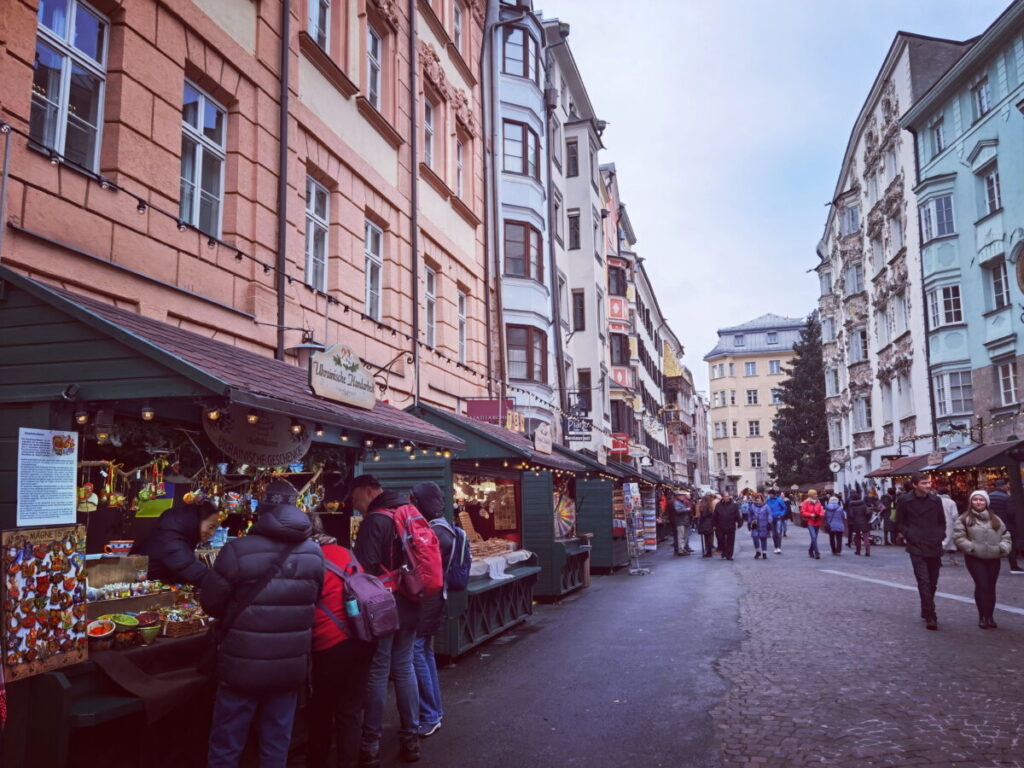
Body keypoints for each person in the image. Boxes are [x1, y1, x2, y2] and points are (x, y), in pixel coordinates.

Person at [200, 481, 324, 768]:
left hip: (241, 665)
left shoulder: (238, 550)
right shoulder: (314, 553)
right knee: (276, 742)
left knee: (227, 742)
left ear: (262, 510)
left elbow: (211, 604)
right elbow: (313, 601)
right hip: (289, 665)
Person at [350, 474, 422, 766]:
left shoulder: (374, 521)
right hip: (412, 601)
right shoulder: (409, 512)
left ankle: (370, 744)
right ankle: (411, 738)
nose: (354, 505)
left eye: (355, 498)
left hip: (383, 607)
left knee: (378, 670)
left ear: (368, 491)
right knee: (404, 667)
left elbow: (362, 571)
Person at [307, 514, 376, 768]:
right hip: (360, 638)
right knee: (350, 711)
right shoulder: (346, 552)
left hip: (327, 643)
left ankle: (317, 761)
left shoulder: (307, 559)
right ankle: (349, 761)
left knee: (321, 711)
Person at [408, 482, 451, 738]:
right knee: (424, 653)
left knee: (417, 654)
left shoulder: (432, 533)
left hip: (426, 601)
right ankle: (434, 710)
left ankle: (430, 713)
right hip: (436, 599)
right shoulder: (445, 528)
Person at [953, 490, 1012, 629]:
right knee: (982, 585)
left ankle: (990, 617)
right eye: (975, 499)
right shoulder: (964, 518)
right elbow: (959, 537)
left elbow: (1006, 535)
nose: (978, 502)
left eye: (981, 500)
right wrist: (971, 548)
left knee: (991, 587)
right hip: (975, 558)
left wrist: (1003, 547)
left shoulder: (996, 519)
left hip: (993, 557)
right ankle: (983, 617)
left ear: (986, 502)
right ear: (971, 502)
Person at [895, 472, 946, 630]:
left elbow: (941, 522)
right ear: (915, 485)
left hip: (934, 544)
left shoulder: (936, 500)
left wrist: (939, 536)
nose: (928, 485)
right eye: (924, 483)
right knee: (923, 580)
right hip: (916, 545)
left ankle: (926, 608)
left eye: (928, 482)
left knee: (932, 581)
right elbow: (900, 522)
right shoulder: (904, 500)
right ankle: (931, 615)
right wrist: (910, 535)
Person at [132, 500, 219, 586]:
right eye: (210, 527)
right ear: (197, 521)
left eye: (216, 529)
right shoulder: (171, 538)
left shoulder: (179, 533)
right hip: (141, 588)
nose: (212, 533)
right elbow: (193, 571)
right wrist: (222, 585)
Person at [988, 478, 1023, 574]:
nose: (1008, 486)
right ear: (1004, 485)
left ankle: (992, 565)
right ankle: (1013, 566)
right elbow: (1011, 513)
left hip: (993, 523)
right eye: (1007, 485)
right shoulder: (1007, 497)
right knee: (1010, 545)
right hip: (1007, 524)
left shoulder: (989, 496)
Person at [936, 484, 960, 567]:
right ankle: (952, 559)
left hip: (937, 524)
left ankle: (938, 559)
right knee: (949, 541)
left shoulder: (935, 501)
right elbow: (955, 515)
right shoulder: (951, 502)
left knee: (941, 541)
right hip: (949, 524)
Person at [713, 492, 741, 561]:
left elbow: (737, 515)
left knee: (730, 541)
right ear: (722, 497)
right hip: (720, 525)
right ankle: (724, 551)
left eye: (727, 496)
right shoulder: (718, 505)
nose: (726, 498)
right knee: (721, 539)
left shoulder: (734, 505)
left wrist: (739, 522)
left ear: (729, 497)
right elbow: (715, 515)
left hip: (730, 525)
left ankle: (729, 555)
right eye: (725, 496)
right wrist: (713, 524)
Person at [846, 491, 871, 556]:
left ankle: (858, 551)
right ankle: (867, 551)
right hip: (864, 521)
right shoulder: (864, 505)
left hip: (856, 522)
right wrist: (866, 519)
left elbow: (851, 515)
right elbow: (868, 513)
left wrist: (853, 520)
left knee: (858, 537)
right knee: (865, 537)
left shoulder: (852, 506)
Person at [800, 490, 824, 559]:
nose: (816, 495)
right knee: (813, 537)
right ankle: (817, 552)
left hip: (817, 521)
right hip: (810, 522)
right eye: (814, 494)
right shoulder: (806, 502)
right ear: (811, 495)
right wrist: (810, 515)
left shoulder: (818, 502)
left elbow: (821, 511)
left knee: (814, 538)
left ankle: (810, 550)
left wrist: (820, 514)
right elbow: (803, 512)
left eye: (816, 494)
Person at [669, 491, 694, 556]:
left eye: (683, 495)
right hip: (680, 521)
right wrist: (687, 509)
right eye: (682, 496)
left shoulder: (680, 502)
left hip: (683, 521)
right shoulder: (677, 502)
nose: (683, 497)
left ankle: (682, 549)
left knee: (683, 536)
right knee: (681, 536)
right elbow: (678, 510)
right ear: (678, 496)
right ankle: (681, 550)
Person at [749, 493, 771, 560]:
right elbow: (749, 514)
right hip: (755, 524)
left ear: (762, 499)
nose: (758, 499)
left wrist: (769, 522)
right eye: (757, 498)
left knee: (763, 538)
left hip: (764, 524)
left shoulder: (766, 506)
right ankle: (758, 551)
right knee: (755, 537)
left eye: (759, 498)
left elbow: (769, 514)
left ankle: (764, 553)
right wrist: (750, 522)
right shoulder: (752, 506)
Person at [766, 489, 787, 554]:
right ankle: (775, 547)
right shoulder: (768, 500)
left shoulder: (779, 500)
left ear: (773, 494)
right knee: (774, 534)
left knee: (778, 533)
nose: (769, 495)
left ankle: (779, 547)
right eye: (769, 494)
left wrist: (781, 515)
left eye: (770, 494)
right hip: (771, 519)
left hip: (778, 518)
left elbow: (784, 508)